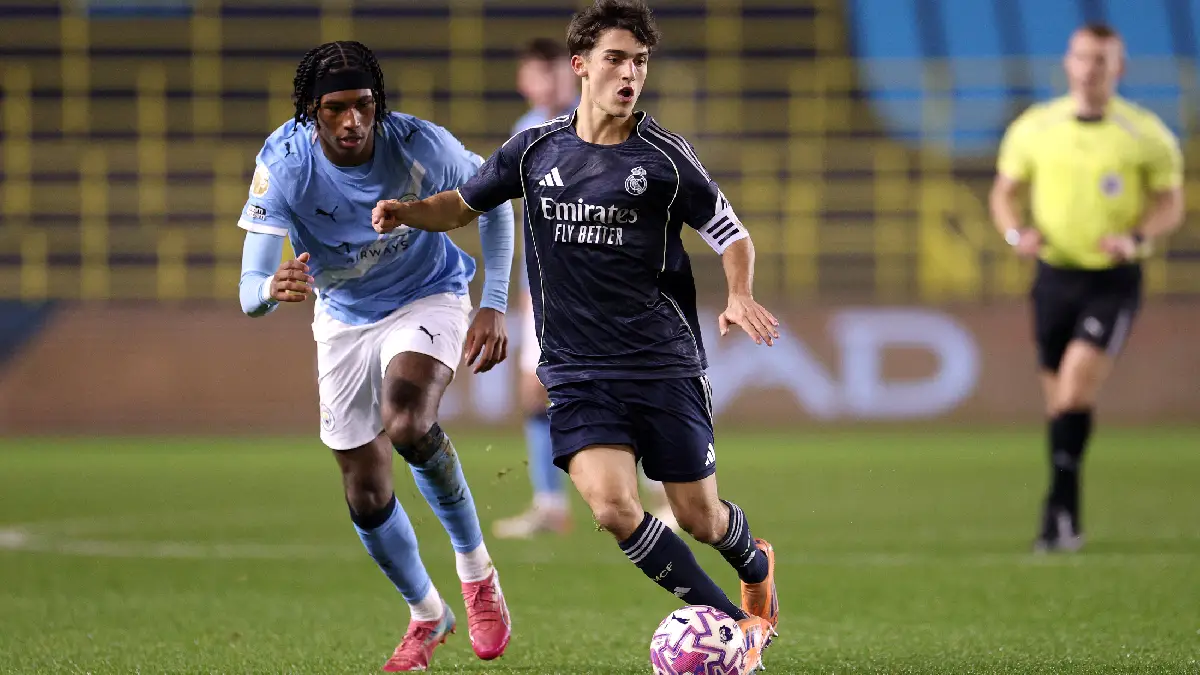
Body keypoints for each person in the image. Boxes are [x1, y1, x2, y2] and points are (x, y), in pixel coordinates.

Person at [371, 1, 778, 669]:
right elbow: (466, 201)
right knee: (616, 508)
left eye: (640, 62)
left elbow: (731, 233)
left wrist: (740, 291)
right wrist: (409, 211)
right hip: (578, 368)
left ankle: (753, 557)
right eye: (616, 59)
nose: (630, 74)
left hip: (663, 363)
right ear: (581, 65)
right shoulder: (535, 148)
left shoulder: (667, 158)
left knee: (700, 517)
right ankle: (738, 630)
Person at [236, 41, 514, 671]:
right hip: (340, 315)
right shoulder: (283, 163)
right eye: (335, 109)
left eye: (363, 105)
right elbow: (249, 287)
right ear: (312, 112)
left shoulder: (422, 145)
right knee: (364, 489)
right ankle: (427, 613)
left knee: (408, 420)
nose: (352, 121)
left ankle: (476, 575)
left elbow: (493, 200)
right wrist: (268, 290)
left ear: (378, 104)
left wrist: (493, 302)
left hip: (427, 293)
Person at [989, 23, 1184, 553]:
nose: (1091, 68)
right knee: (1060, 404)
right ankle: (1065, 514)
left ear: (1118, 68)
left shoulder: (1145, 134)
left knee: (1075, 388)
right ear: (1068, 64)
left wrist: (1137, 236)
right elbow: (1005, 192)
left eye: (1102, 59)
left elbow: (1171, 202)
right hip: (1053, 276)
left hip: (1111, 280)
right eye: (1082, 57)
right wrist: (1015, 233)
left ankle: (1057, 513)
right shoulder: (1036, 127)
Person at [493, 36, 679, 540]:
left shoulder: (601, 123)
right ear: (524, 81)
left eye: (556, 71)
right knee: (535, 394)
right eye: (540, 72)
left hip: (600, 286)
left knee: (619, 388)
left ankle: (664, 495)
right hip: (547, 289)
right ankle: (551, 504)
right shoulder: (524, 132)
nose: (550, 81)